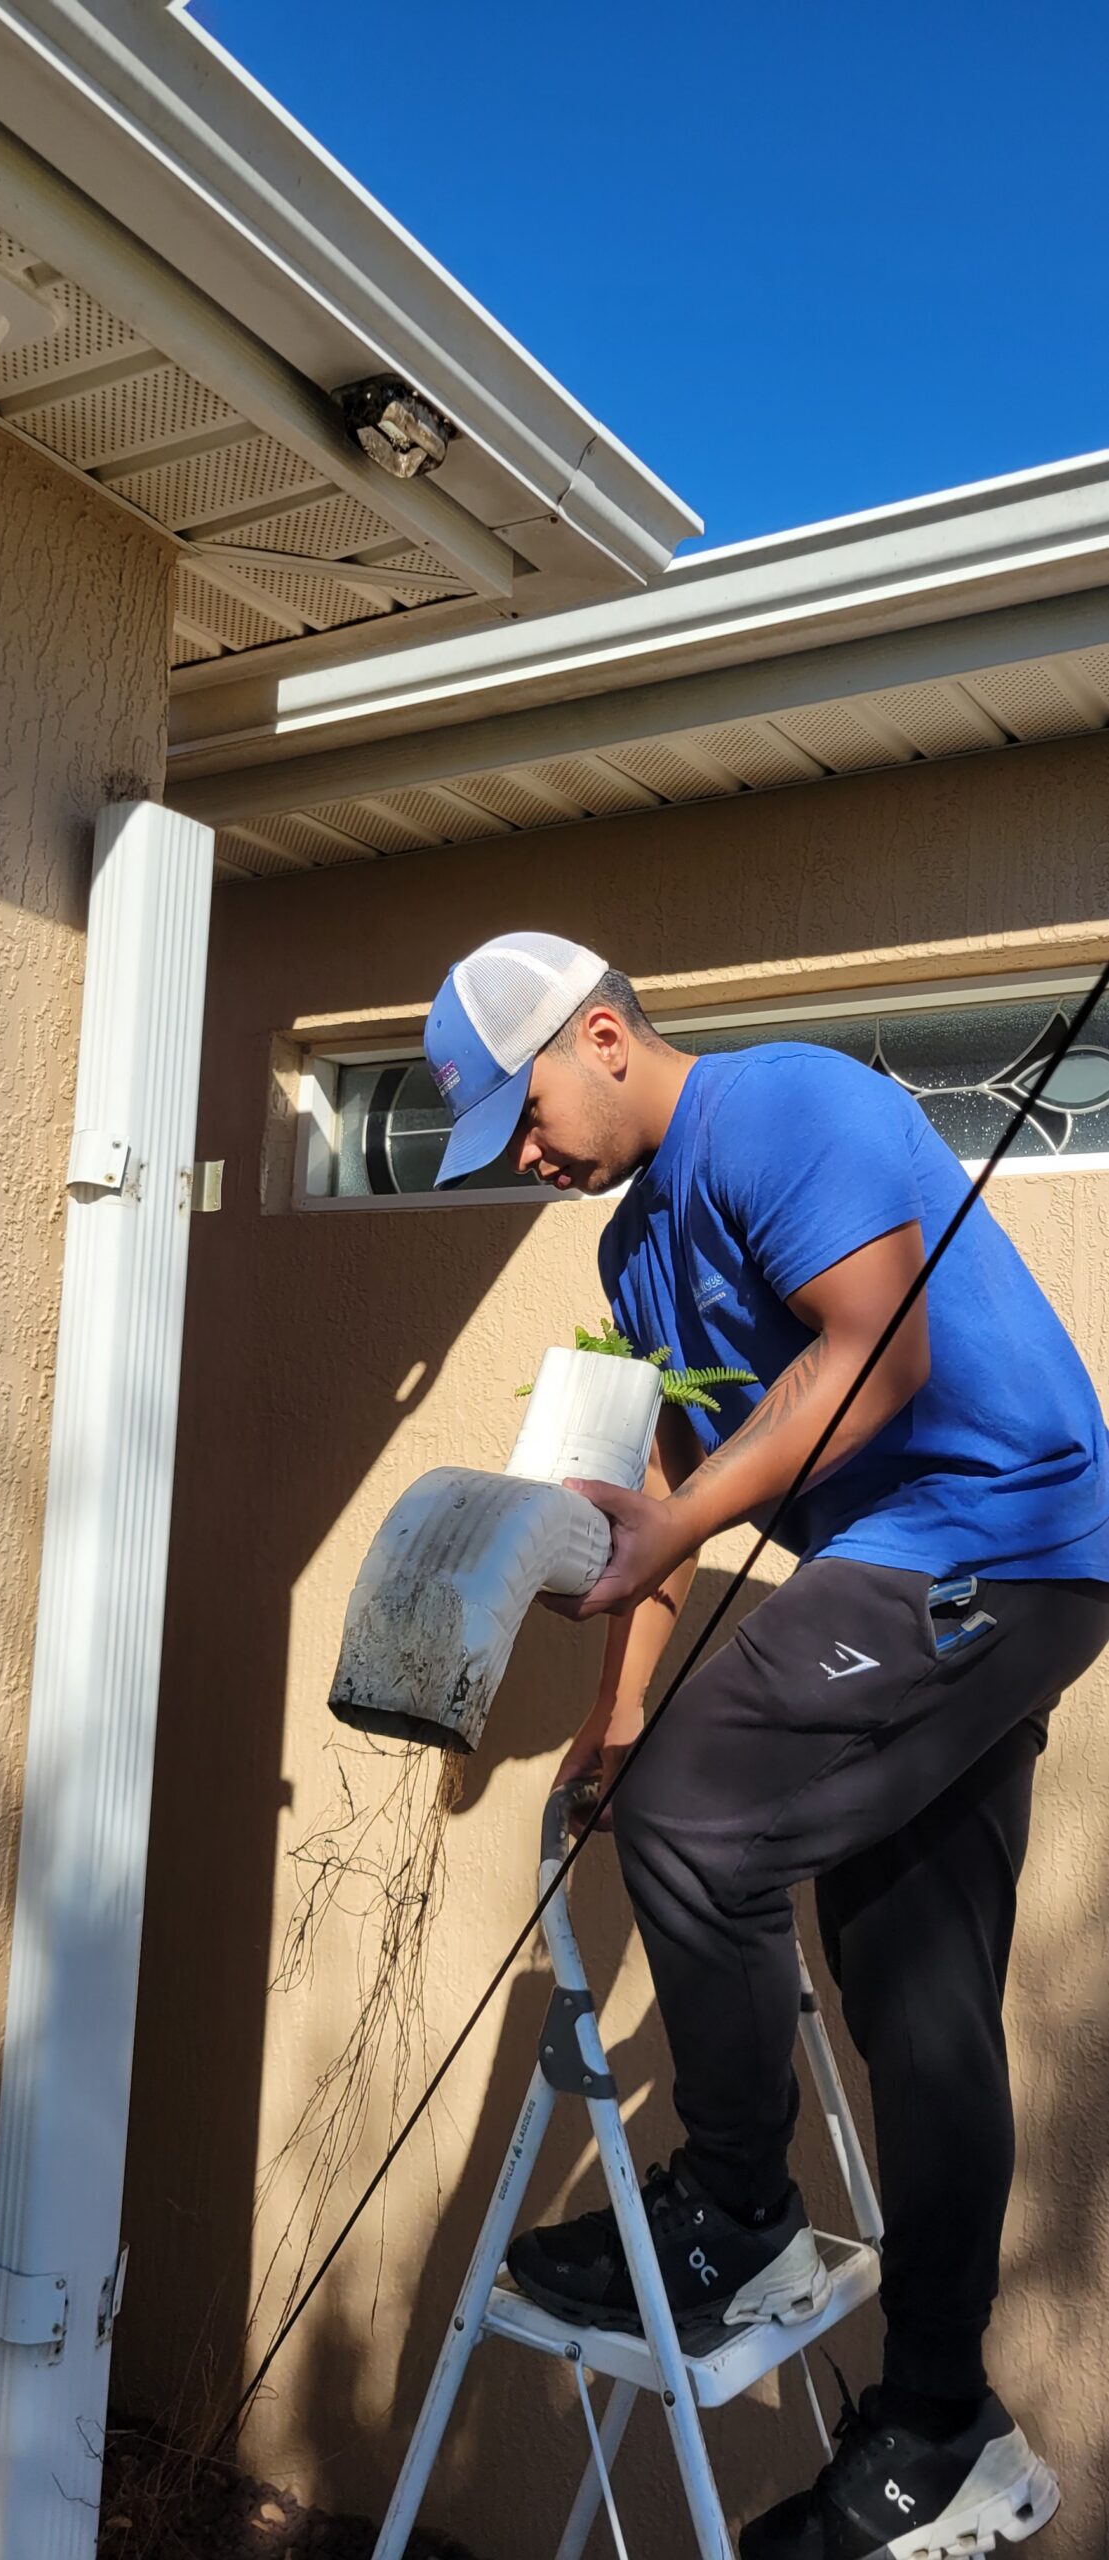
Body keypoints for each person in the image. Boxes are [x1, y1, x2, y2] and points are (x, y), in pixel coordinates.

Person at [424, 930, 1109, 2560]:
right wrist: (616, 1709)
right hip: (937, 1584)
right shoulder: (630, 1255)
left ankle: (738, 2212)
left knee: (694, 1823)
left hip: (992, 1545)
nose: (523, 1161)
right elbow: (668, 1473)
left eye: (519, 1119)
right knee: (917, 2002)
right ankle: (942, 2428)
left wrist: (664, 1545)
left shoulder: (781, 1108)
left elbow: (876, 1360)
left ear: (600, 1035)